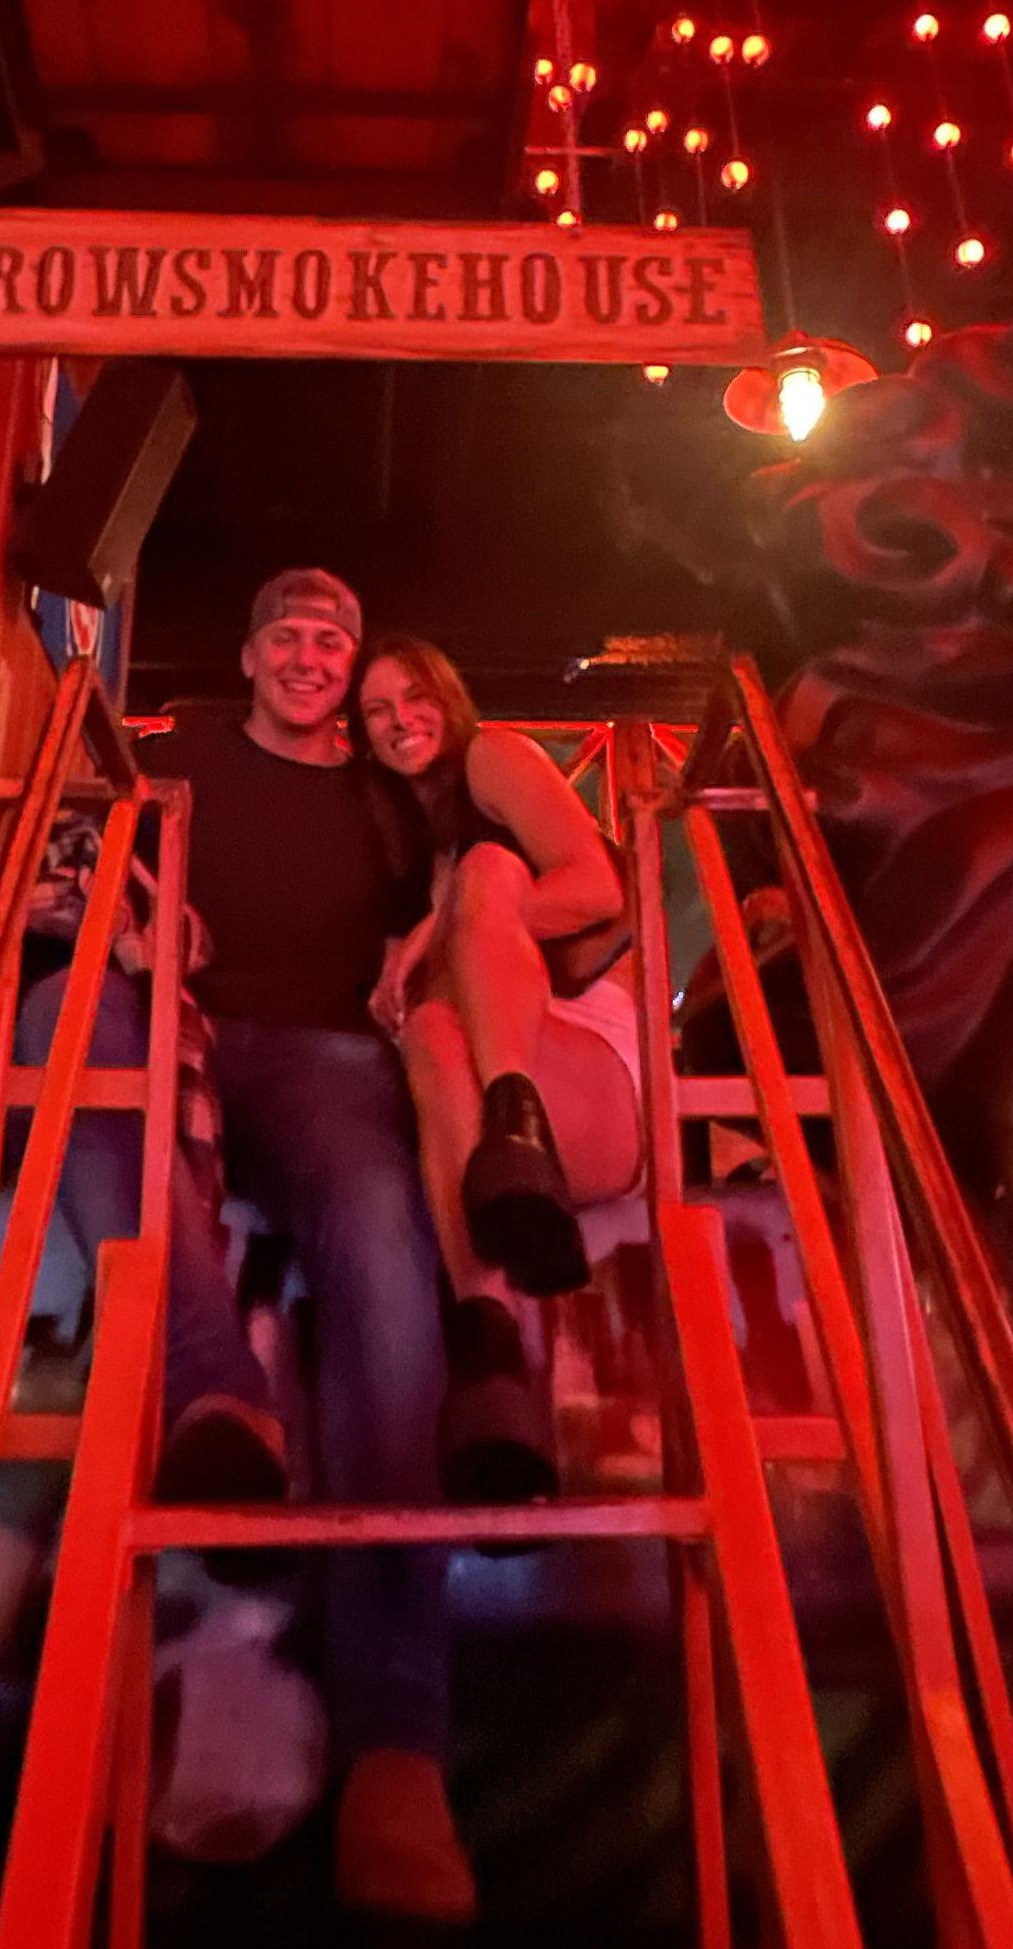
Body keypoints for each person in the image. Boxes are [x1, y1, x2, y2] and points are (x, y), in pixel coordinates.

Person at [137, 570, 474, 1926]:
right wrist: (139, 915)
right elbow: (91, 860)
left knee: (383, 1236)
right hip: (183, 1026)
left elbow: (471, 874)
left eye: (332, 639)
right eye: (285, 633)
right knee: (100, 1098)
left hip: (330, 1056)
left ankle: (398, 1735)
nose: (310, 654)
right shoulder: (178, 758)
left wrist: (430, 949)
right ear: (247, 654)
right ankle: (212, 1393)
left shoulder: (389, 792)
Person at [352, 636, 643, 1504]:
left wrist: (448, 926)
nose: (402, 721)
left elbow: (599, 889)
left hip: (583, 1064)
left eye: (416, 697)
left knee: (489, 870)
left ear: (449, 695)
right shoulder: (407, 844)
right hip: (476, 1111)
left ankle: (516, 1120)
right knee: (431, 1030)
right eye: (377, 711)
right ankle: (490, 1352)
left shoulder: (493, 759)